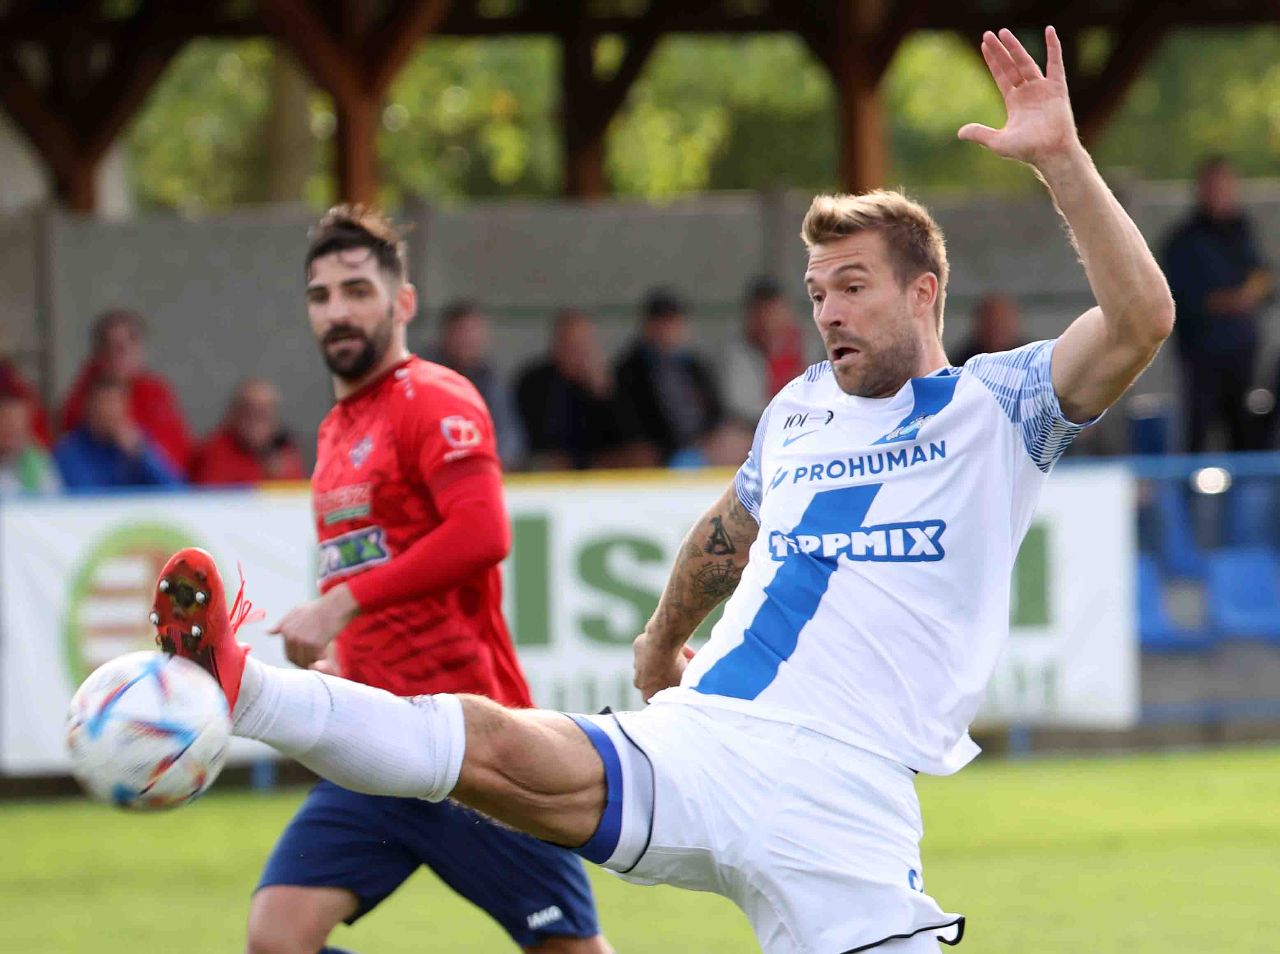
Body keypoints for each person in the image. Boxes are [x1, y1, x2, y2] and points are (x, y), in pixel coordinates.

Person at [153, 30, 1174, 954]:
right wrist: (658, 641)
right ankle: (239, 685)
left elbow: (1139, 321)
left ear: (923, 292)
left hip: (843, 798)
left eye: (853, 286)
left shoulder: (997, 406)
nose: (827, 312)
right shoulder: (798, 410)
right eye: (816, 291)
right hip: (706, 740)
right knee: (493, 744)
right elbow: (726, 532)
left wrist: (1060, 161)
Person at [154, 206, 609, 954]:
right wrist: (343, 649)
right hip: (372, 741)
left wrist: (341, 603)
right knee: (276, 941)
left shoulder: (434, 397)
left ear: (403, 302)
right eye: (321, 295)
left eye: (358, 290)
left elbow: (483, 533)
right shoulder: (336, 430)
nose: (337, 310)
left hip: (471, 741)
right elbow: (373, 561)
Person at [1161, 157, 1271, 452]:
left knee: (1246, 434)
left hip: (1243, 353)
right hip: (1201, 355)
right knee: (1196, 433)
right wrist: (1231, 300)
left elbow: (1263, 277)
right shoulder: (1183, 240)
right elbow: (1180, 296)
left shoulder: (1245, 232)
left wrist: (1253, 292)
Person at [60, 309, 194, 473]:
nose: (120, 354)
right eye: (110, 346)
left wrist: (141, 450)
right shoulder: (81, 398)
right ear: (98, 354)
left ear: (140, 350)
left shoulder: (157, 394)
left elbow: (176, 464)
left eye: (129, 344)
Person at [516, 310, 649, 470]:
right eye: (569, 344)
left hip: (599, 462)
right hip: (554, 464)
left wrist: (605, 395)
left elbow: (630, 436)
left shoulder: (608, 382)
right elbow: (536, 439)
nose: (575, 352)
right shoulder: (534, 382)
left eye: (581, 345)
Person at [614, 288, 724, 464]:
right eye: (663, 322)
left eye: (673, 322)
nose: (669, 329)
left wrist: (708, 437)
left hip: (701, 445)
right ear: (649, 326)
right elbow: (629, 421)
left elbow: (715, 409)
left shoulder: (694, 366)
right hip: (657, 450)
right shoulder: (630, 370)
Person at [431, 300, 528, 469]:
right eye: (461, 333)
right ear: (446, 335)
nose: (467, 341)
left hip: (481, 470)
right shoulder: (426, 376)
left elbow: (509, 440)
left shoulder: (492, 380)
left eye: (474, 333)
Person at [54, 378, 182, 489]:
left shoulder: (139, 444)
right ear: (89, 410)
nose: (109, 415)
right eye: (103, 407)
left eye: (114, 408)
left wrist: (141, 455)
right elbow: (85, 498)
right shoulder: (69, 451)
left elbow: (177, 493)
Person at [722, 277, 808, 423]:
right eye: (763, 314)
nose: (770, 322)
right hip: (755, 428)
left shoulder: (809, 346)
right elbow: (743, 410)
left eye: (775, 313)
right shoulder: (734, 353)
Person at [190, 379, 306, 485]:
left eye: (267, 409)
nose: (259, 417)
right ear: (234, 413)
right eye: (250, 409)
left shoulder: (285, 452)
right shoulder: (213, 454)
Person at [0, 388, 60, 493]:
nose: (13, 429)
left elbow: (54, 498)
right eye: (6, 422)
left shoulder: (37, 460)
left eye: (18, 423)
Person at [950, 292, 1025, 366]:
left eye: (1003, 322)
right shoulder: (961, 363)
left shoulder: (1027, 357)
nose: (997, 331)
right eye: (991, 322)